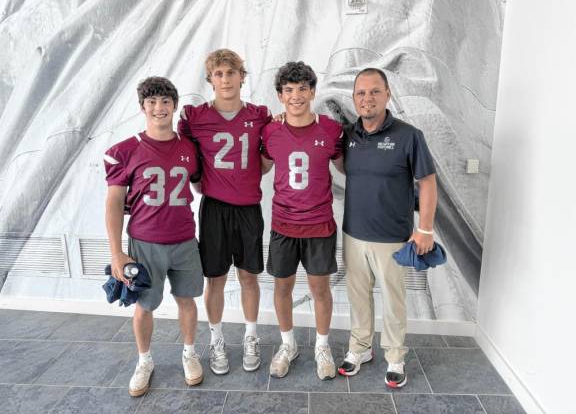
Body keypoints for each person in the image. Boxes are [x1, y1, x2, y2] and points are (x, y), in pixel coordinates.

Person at [104, 76, 204, 396]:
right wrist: (116, 253)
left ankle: (189, 352)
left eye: (165, 101)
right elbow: (114, 203)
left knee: (186, 299)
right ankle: (144, 359)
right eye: (152, 102)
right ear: (142, 107)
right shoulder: (125, 150)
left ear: (174, 105)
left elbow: (200, 184)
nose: (159, 108)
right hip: (145, 242)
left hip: (185, 238)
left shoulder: (189, 147)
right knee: (144, 305)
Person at [338, 68, 437, 389]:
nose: (367, 98)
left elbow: (428, 183)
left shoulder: (409, 136)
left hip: (393, 238)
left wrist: (425, 229)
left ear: (387, 94)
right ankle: (360, 349)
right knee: (358, 297)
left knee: (394, 300)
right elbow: (343, 167)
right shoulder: (348, 136)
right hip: (353, 233)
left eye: (374, 92)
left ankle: (395, 356)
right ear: (354, 98)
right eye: (361, 93)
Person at [178, 49, 271, 375]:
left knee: (248, 276)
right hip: (214, 207)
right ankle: (216, 340)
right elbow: (184, 154)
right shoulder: (195, 117)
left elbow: (267, 159)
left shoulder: (260, 115)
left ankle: (250, 336)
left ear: (242, 76)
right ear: (210, 80)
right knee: (214, 278)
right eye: (219, 74)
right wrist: (199, 177)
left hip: (248, 206)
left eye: (231, 72)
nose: (226, 79)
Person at [261, 61, 343, 380]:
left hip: (320, 224)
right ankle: (288, 344)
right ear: (280, 96)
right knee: (282, 287)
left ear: (312, 91)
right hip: (283, 223)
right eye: (289, 90)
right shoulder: (270, 130)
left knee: (320, 288)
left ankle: (322, 346)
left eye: (302, 89)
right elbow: (263, 167)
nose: (296, 96)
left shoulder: (331, 130)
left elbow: (347, 168)